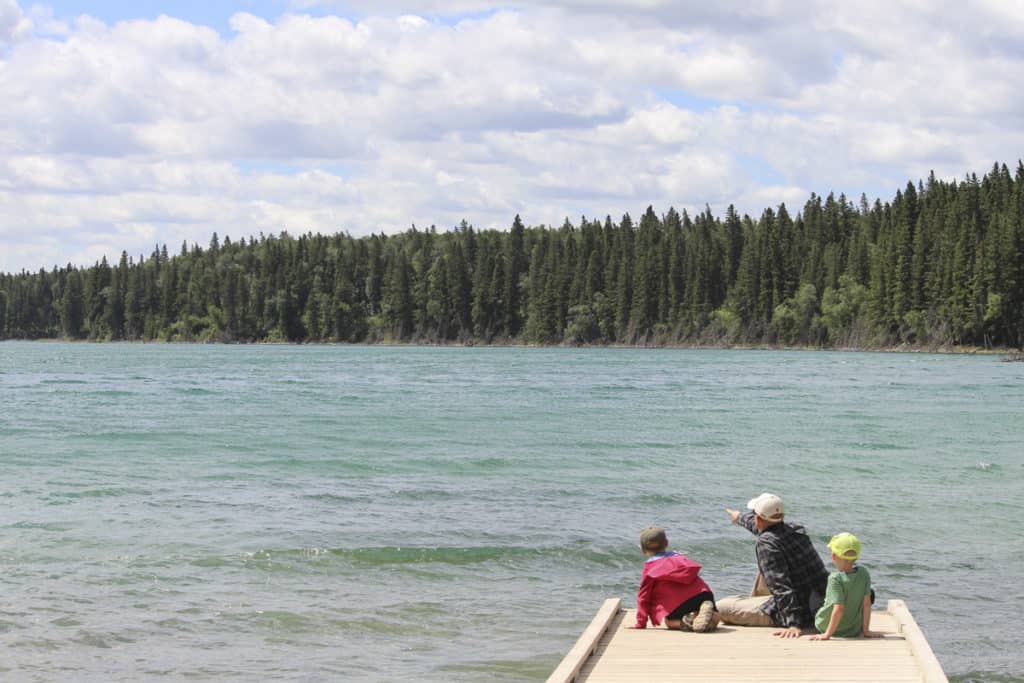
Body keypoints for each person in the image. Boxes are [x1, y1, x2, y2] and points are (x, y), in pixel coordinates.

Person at [718, 492, 828, 638]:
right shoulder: (797, 530)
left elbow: (780, 585)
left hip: (797, 614)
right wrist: (738, 517)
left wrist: (793, 623)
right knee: (771, 569)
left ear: (758, 518)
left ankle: (764, 610)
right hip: (818, 604)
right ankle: (757, 603)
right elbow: (763, 527)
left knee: (719, 607)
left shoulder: (766, 543)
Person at [630, 526, 719, 632]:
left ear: (643, 550)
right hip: (703, 594)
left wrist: (641, 622)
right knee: (716, 616)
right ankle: (704, 616)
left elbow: (643, 597)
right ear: (667, 543)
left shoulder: (650, 567)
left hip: (678, 604)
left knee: (669, 622)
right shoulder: (680, 558)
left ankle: (687, 623)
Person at [810, 532, 882, 640]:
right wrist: (866, 630)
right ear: (856, 556)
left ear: (834, 556)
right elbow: (867, 604)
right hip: (853, 630)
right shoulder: (864, 573)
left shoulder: (835, 578)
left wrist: (827, 635)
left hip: (825, 627)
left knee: (815, 594)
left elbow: (839, 609)